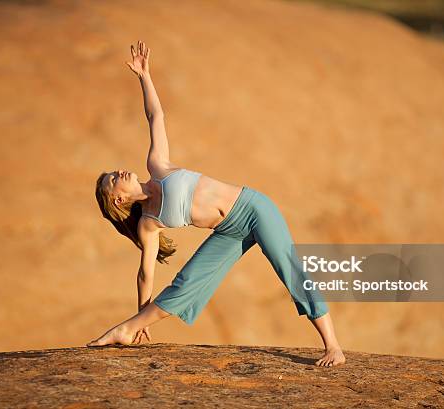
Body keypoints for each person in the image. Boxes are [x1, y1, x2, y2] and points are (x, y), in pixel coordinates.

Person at [87, 41, 345, 367]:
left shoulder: (157, 166)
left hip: (253, 208)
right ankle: (126, 330)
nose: (119, 172)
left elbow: (156, 115)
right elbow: (145, 273)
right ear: (119, 199)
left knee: (286, 265)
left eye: (113, 172)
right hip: (228, 231)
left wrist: (144, 76)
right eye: (113, 179)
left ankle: (333, 345)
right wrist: (141, 312)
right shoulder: (148, 223)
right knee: (187, 282)